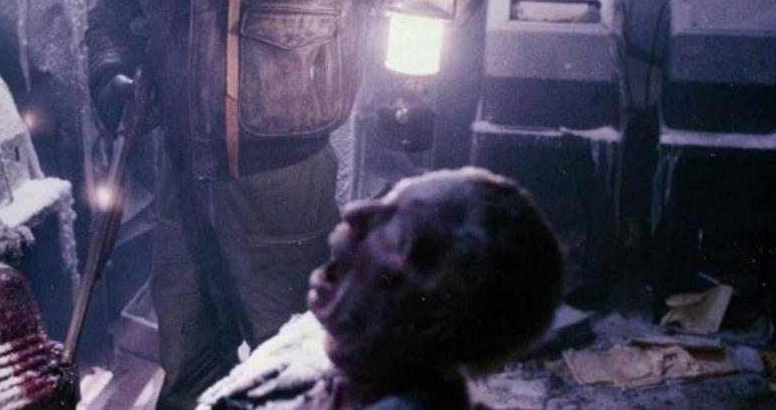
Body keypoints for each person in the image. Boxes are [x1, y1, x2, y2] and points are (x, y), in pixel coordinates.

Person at [84, 0, 480, 407]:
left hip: (285, 196)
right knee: (187, 373)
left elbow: (443, 1)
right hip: (180, 190)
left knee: (298, 374)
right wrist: (109, 76)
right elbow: (110, 9)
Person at [198, 167, 564, 409]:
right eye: (387, 200)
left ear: (427, 319)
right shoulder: (343, 361)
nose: (354, 211)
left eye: (392, 224)